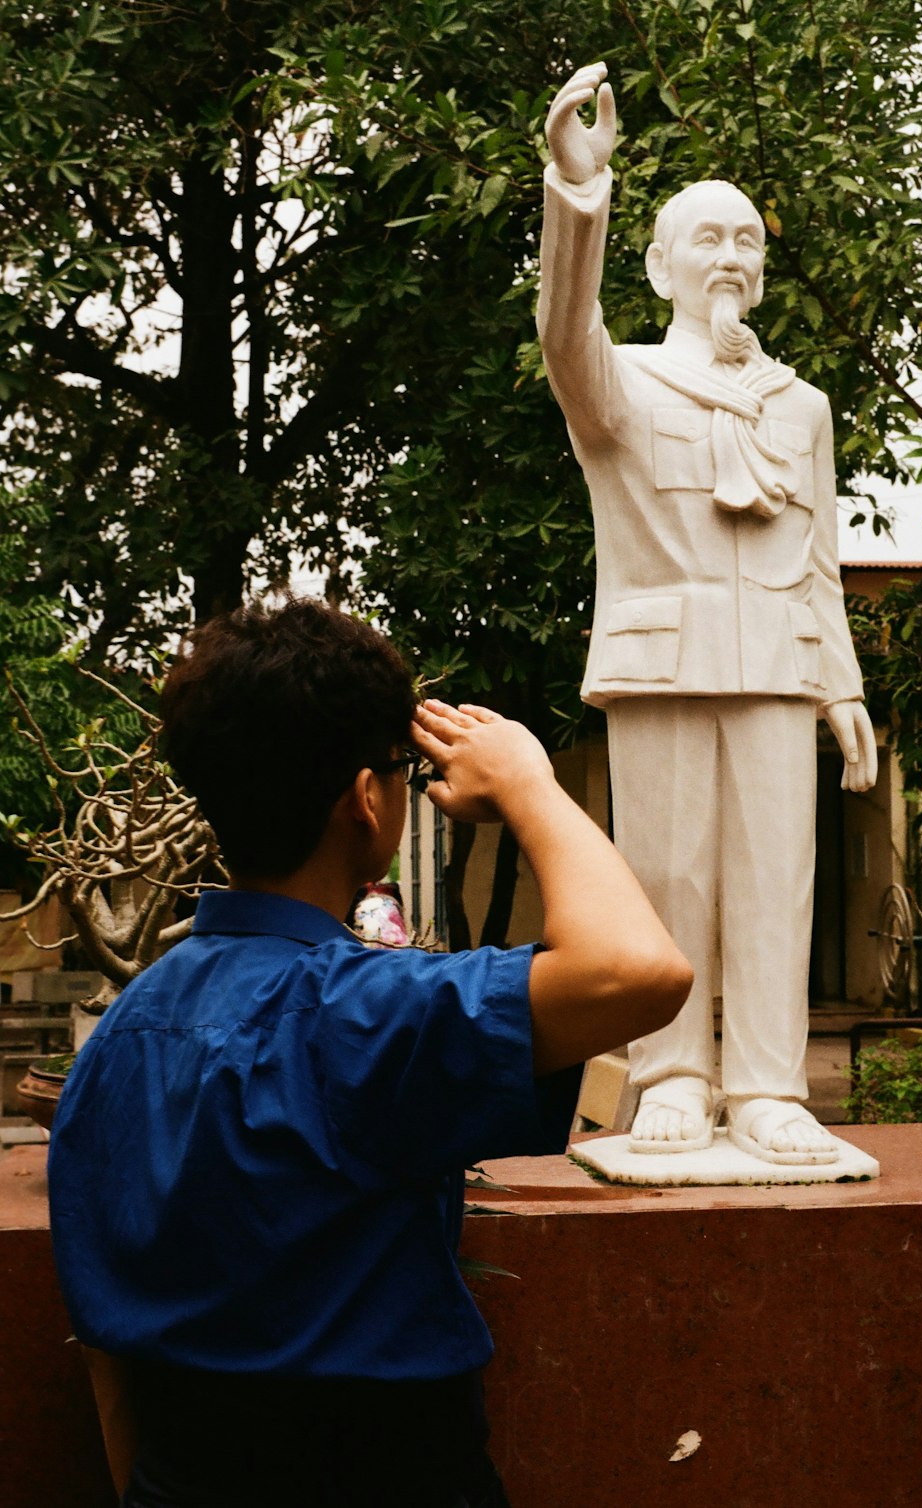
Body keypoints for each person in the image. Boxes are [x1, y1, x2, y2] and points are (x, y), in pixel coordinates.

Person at [48, 597, 691, 1508]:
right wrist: (528, 785)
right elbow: (640, 971)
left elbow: (107, 1348)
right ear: (365, 799)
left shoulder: (122, 1033)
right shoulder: (362, 1010)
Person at [537, 62, 877, 1163]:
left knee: (778, 878)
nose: (729, 257)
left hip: (779, 665)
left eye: (746, 242)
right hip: (664, 663)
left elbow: (818, 557)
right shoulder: (622, 383)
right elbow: (562, 336)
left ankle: (770, 1087)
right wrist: (576, 196)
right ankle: (672, 1077)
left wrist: (842, 685)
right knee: (668, 874)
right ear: (659, 266)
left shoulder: (802, 406)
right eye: (706, 240)